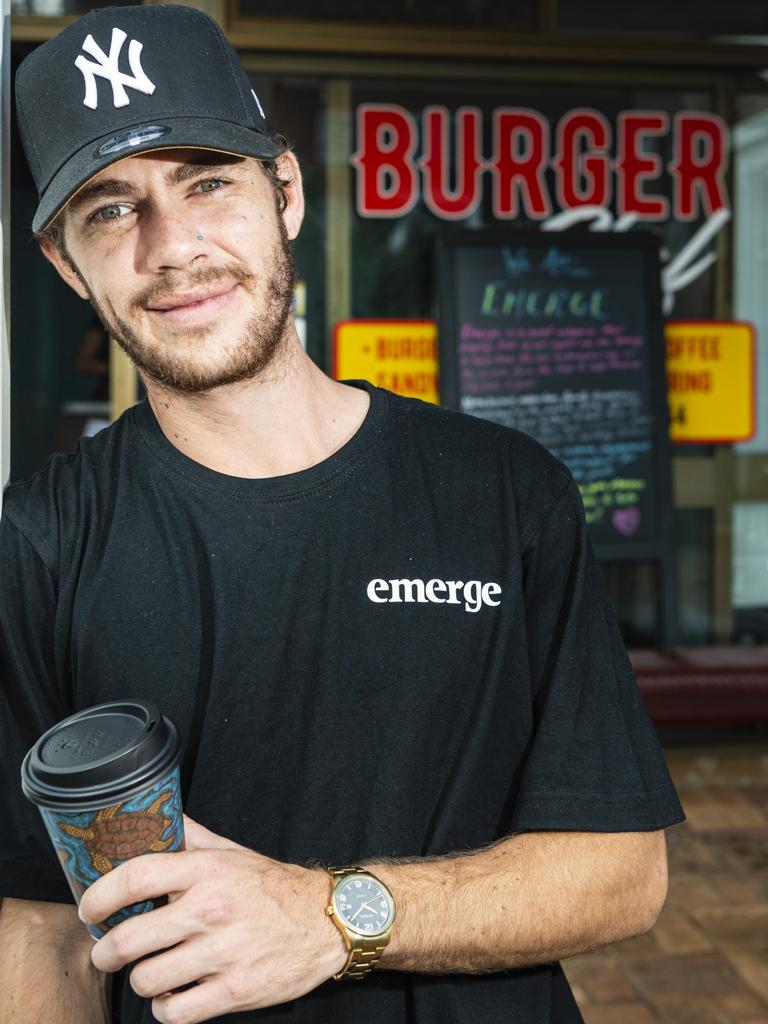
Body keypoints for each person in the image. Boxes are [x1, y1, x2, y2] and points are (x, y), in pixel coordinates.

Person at [0, 6, 684, 1024]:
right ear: (64, 264)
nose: (173, 246)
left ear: (287, 192)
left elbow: (624, 872)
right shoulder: (36, 542)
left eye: (208, 181)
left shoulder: (504, 491)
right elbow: (40, 927)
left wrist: (328, 915)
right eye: (109, 209)